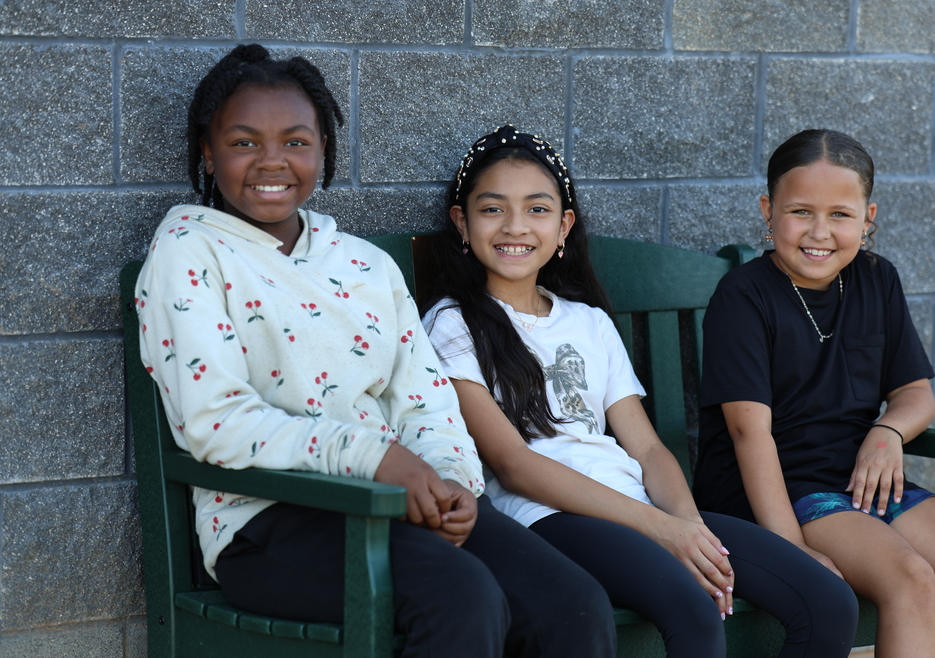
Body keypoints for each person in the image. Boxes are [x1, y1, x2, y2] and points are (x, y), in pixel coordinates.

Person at [134, 45, 616, 658]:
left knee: (571, 604)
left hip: (399, 501)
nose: (271, 161)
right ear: (208, 151)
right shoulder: (188, 250)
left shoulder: (365, 264)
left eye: (296, 141)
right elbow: (216, 421)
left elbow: (425, 401)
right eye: (243, 142)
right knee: (461, 598)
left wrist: (451, 482)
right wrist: (377, 458)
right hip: (268, 522)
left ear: (324, 148)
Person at [422, 124, 859, 658]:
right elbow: (513, 464)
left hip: (639, 506)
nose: (516, 226)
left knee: (828, 601)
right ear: (461, 223)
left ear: (563, 227)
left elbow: (648, 448)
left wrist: (689, 526)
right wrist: (659, 527)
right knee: (695, 606)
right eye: (493, 209)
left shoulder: (588, 322)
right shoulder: (452, 324)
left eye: (537, 209)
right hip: (549, 517)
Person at [694, 129, 935, 658]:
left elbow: (915, 391)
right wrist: (792, 551)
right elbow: (748, 432)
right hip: (775, 491)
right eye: (800, 211)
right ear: (768, 210)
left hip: (860, 481)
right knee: (911, 579)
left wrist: (887, 431)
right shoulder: (744, 296)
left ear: (868, 218)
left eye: (840, 215)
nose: (819, 232)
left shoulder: (876, 279)